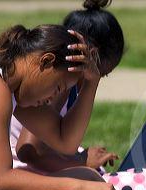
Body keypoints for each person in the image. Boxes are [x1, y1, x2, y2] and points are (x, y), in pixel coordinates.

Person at [0, 23, 125, 190]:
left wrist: (92, 82)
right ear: (45, 61)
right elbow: (0, 180)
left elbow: (65, 141)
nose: (52, 98)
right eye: (57, 87)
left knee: (88, 178)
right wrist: (79, 188)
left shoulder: (10, 87)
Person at [12, 0, 124, 173]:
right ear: (90, 56)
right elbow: (29, 151)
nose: (97, 78)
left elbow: (64, 143)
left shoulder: (60, 82)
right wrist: (82, 163)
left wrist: (80, 158)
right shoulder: (59, 84)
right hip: (20, 169)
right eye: (103, 73)